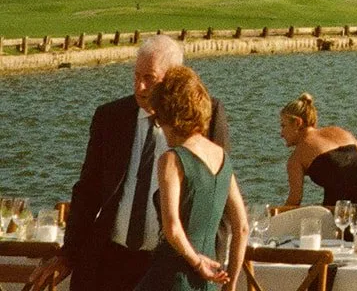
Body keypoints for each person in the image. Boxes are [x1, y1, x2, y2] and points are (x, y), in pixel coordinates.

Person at [29, 34, 230, 291]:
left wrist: (216, 266)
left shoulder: (205, 116)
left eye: (149, 78)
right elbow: (87, 191)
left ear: (174, 78)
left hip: (171, 266)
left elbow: (220, 201)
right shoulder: (110, 117)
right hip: (111, 260)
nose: (140, 87)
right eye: (136, 76)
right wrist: (68, 254)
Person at [134, 65, 247, 290]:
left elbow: (173, 228)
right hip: (210, 280)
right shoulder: (222, 157)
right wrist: (231, 282)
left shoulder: (172, 159)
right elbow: (242, 227)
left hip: (171, 277)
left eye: (159, 121)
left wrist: (197, 263)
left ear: (167, 115)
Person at [278, 92, 357, 234]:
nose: (281, 133)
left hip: (348, 205)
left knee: (336, 239)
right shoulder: (338, 131)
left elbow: (294, 201)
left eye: (283, 125)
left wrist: (275, 220)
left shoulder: (296, 158)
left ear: (297, 123)